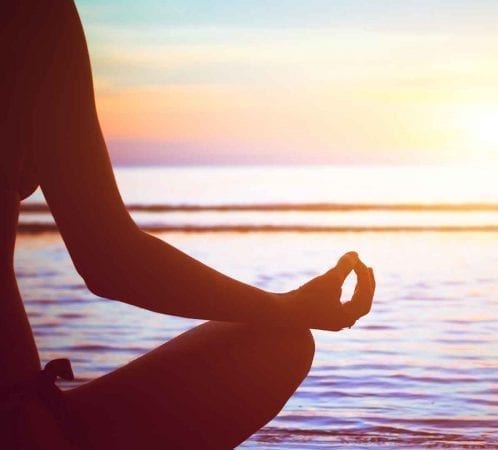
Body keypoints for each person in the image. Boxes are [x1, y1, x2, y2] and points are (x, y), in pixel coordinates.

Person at [1, 1, 376, 448]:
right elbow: (109, 258)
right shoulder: (33, 16)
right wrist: (290, 308)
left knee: (278, 347)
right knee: (280, 346)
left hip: (22, 406)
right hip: (14, 415)